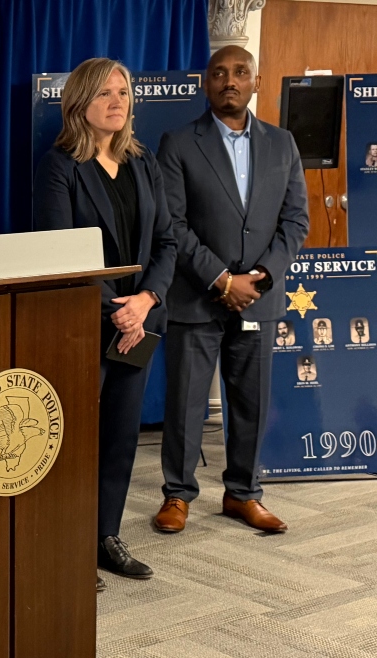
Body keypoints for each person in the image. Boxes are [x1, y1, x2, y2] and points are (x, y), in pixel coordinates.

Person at [154, 46, 309, 535]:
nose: (230, 81)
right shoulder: (179, 143)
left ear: (256, 82)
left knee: (251, 403)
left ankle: (243, 494)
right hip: (197, 296)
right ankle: (177, 495)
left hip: (259, 298)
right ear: (207, 84)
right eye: (219, 73)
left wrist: (259, 277)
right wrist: (222, 279)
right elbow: (173, 225)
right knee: (186, 403)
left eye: (240, 72)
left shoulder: (283, 143)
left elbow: (296, 221)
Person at [33, 58, 176, 588]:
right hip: (83, 323)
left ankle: (105, 537)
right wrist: (118, 308)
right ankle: (66, 545)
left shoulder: (144, 162)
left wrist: (146, 300)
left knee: (120, 434)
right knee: (73, 439)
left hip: (139, 322)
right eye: (104, 93)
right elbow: (59, 254)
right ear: (79, 102)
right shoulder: (59, 166)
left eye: (123, 92)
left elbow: (166, 242)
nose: (117, 102)